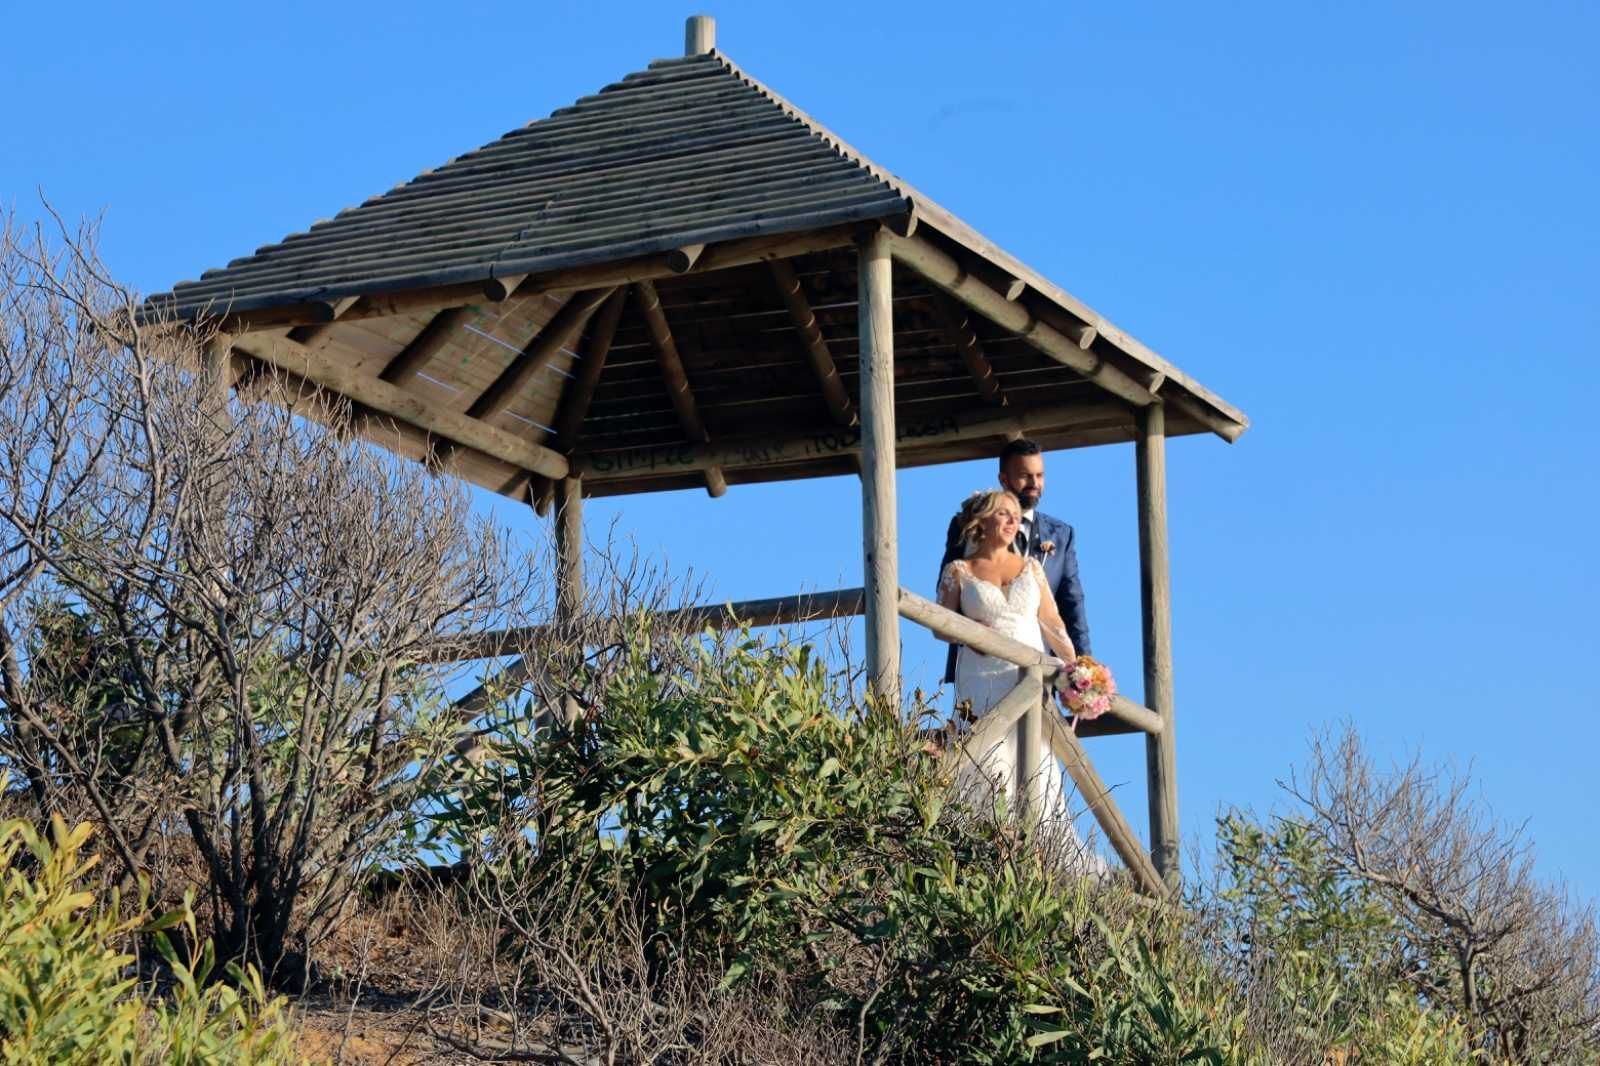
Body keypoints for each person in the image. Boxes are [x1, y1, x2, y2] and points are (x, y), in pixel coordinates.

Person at [937, 489, 1106, 874]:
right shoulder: (959, 571)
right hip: (981, 677)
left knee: (1037, 766)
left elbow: (1053, 623)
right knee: (988, 761)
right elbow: (941, 628)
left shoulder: (1031, 568)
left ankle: (1040, 862)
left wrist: (1080, 670)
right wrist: (967, 631)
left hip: (1027, 677)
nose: (1013, 520)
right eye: (1003, 513)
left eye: (1016, 514)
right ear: (982, 521)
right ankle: (984, 858)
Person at [939, 438, 1091, 695]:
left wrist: (1083, 671)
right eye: (1025, 476)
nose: (1034, 483)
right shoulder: (965, 526)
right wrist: (969, 632)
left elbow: (1071, 605)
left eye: (1039, 475)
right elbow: (947, 594)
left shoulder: (1061, 535)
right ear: (1004, 479)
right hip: (980, 670)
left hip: (1038, 671)